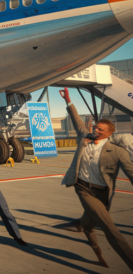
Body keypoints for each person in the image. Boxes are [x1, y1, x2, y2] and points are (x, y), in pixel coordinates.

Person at [59, 87, 133, 269]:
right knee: (109, 228)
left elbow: (131, 172)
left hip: (102, 193)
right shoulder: (84, 136)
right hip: (83, 188)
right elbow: (76, 119)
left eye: (100, 129)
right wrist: (68, 99)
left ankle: (96, 252)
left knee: (88, 224)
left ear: (109, 133)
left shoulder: (118, 152)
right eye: (95, 127)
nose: (95, 129)